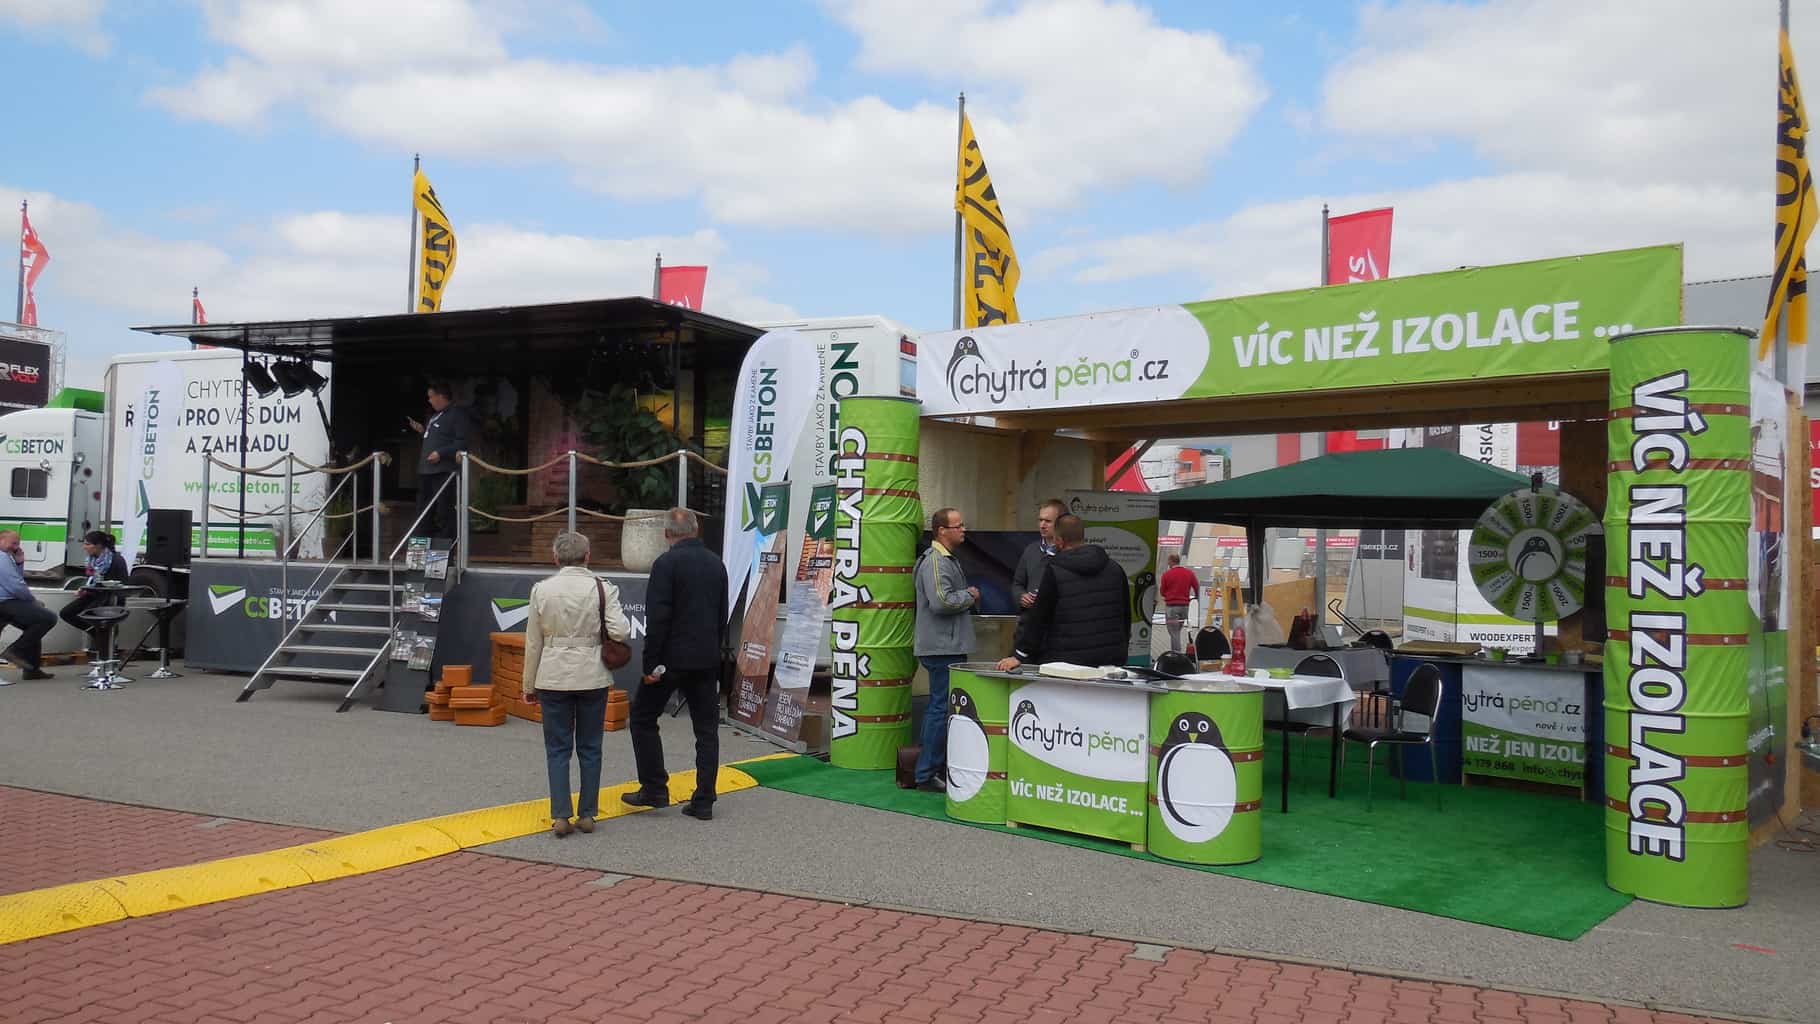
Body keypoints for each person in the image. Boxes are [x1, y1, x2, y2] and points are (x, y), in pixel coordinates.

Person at [524, 531, 631, 838]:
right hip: (592, 675)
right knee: (591, 746)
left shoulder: (541, 590)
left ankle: (560, 815)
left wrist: (529, 685)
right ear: (587, 556)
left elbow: (533, 642)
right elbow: (620, 632)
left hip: (552, 675)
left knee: (557, 748)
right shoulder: (603, 588)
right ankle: (587, 814)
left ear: (555, 558)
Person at [625, 508, 728, 820]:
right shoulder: (716, 564)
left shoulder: (665, 564)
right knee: (706, 731)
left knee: (642, 717)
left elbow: (657, 619)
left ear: (666, 534)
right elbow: (721, 615)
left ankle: (654, 787)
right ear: (696, 530)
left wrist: (650, 666)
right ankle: (704, 799)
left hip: (670, 660)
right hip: (706, 659)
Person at [997, 513, 1129, 671]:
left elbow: (1039, 617)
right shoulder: (1115, 568)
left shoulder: (1055, 570)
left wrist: (1019, 655)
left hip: (1066, 661)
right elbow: (1125, 615)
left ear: (1059, 541)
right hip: (1110, 660)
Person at [912, 506, 979, 792]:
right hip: (942, 647)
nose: (963, 530)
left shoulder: (943, 559)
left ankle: (929, 768)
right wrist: (970, 595)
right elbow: (941, 601)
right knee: (940, 709)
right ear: (942, 531)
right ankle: (927, 772)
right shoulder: (937, 562)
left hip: (943, 645)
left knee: (939, 708)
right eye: (958, 526)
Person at [407, 381, 473, 540]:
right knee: (423, 511)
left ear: (441, 396)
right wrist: (422, 431)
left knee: (444, 511)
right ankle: (420, 551)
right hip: (426, 471)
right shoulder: (434, 416)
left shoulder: (457, 414)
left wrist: (441, 453)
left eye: (431, 397)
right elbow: (436, 438)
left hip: (443, 471)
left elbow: (462, 442)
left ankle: (444, 549)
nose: (429, 400)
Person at [59, 531, 131, 658]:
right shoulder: (91, 560)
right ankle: (94, 632)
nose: (84, 547)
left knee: (92, 613)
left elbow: (123, 584)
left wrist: (106, 587)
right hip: (93, 594)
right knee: (66, 613)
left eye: (88, 544)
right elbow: (91, 580)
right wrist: (85, 588)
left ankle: (105, 644)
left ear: (98, 546)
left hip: (110, 597)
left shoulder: (116, 560)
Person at [0, 529, 57, 682]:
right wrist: (31, 600)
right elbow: (15, 586)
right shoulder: (2, 557)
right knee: (48, 618)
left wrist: (19, 563)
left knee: (33, 624)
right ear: (1, 540)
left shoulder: (6, 557)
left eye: (18, 543)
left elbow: (15, 579)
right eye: (13, 543)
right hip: (5, 602)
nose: (16, 547)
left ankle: (32, 669)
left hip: (5, 602)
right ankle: (15, 651)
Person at [1011, 498, 1064, 627]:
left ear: (1060, 523)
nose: (1042, 525)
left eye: (1048, 521)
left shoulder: (1068, 552)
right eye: (1040, 520)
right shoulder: (1030, 550)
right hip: (1030, 624)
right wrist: (1021, 597)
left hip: (1058, 625)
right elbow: (1017, 584)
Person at [1159, 553, 1199, 653]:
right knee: (1177, 631)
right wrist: (1196, 596)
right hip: (1184, 607)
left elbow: (1162, 592)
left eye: (1168, 561)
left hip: (1172, 608)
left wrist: (1168, 595)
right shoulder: (1189, 573)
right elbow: (1196, 586)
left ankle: (1177, 654)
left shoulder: (1166, 574)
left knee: (1174, 632)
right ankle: (1177, 652)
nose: (1168, 563)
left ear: (1171, 561)